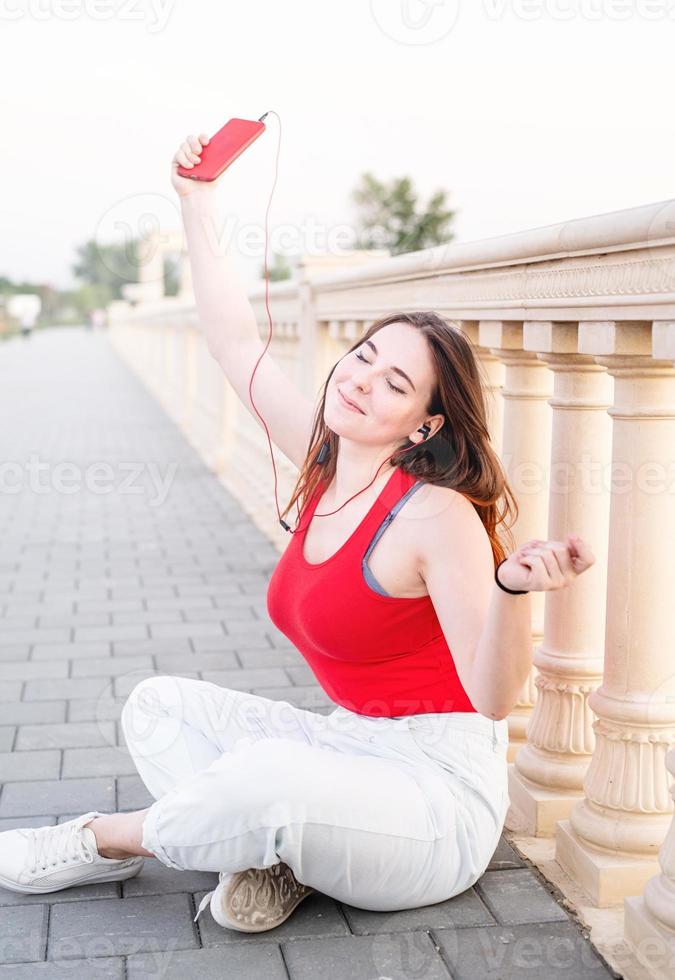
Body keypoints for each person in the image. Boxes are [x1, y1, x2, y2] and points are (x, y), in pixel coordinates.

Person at [0, 131, 596, 933]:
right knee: (156, 707)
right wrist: (197, 203)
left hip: (434, 799)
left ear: (421, 426)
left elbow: (494, 700)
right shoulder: (322, 460)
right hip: (349, 749)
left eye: (394, 383)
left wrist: (510, 589)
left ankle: (100, 842)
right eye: (363, 355)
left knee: (268, 773)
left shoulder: (433, 515)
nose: (360, 380)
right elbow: (234, 341)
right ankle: (277, 857)